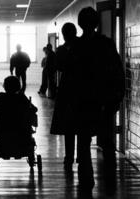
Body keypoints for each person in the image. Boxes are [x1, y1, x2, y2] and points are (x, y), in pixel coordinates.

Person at [51, 7, 125, 194]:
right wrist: (117, 97)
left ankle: (86, 181)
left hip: (82, 101)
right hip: (103, 101)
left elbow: (66, 73)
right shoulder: (106, 44)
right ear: (97, 23)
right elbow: (117, 71)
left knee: (83, 143)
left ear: (80, 24)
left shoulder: (75, 46)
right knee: (107, 142)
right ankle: (109, 181)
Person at [51, 23, 79, 171]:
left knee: (69, 126)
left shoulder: (61, 50)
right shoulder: (82, 46)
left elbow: (59, 66)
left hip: (67, 89)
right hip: (82, 88)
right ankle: (81, 154)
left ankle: (69, 157)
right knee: (81, 125)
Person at [0, 76, 37, 142]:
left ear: (5, 86)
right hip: (22, 131)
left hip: (2, 131)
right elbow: (34, 109)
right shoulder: (21, 97)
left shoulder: (0, 97)